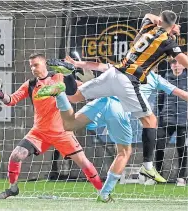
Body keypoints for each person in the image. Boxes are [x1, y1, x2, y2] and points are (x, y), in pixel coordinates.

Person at [35, 10, 188, 185]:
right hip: (127, 85)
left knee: (74, 99)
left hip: (114, 73)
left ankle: (65, 81)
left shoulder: (148, 26)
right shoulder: (168, 44)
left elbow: (149, 15)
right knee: (148, 124)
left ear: (160, 22)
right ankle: (147, 166)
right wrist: (171, 32)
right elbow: (184, 62)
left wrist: (166, 25)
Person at [0, 53, 103, 199]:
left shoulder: (59, 76)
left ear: (45, 64)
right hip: (39, 132)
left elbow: (75, 90)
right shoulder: (31, 85)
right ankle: (13, 189)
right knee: (15, 156)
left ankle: (102, 192)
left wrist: (85, 81)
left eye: (36, 65)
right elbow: (12, 100)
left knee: (83, 162)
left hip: (62, 132)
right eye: (31, 66)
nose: (33, 68)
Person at [155, 59, 187, 186]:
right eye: (174, 63)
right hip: (166, 119)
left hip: (184, 121)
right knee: (159, 146)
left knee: (183, 149)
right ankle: (157, 175)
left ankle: (182, 177)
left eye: (179, 62)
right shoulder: (164, 79)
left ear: (184, 65)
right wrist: (159, 116)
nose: (176, 65)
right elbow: (159, 100)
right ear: (170, 65)